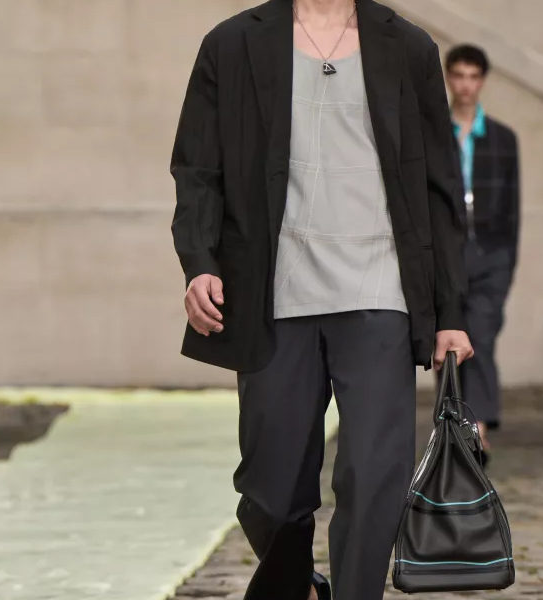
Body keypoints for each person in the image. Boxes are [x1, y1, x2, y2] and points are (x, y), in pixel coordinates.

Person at [169, 1, 473, 599]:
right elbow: (197, 167)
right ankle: (299, 585)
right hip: (273, 293)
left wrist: (451, 313)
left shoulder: (408, 47)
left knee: (375, 475)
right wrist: (199, 262)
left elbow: (439, 187)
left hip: (381, 290)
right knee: (269, 487)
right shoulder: (231, 44)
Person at [443, 44, 520, 461]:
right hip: (448, 255)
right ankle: (455, 425)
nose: (465, 85)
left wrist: (506, 263)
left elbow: (512, 210)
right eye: (459, 75)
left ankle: (479, 431)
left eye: (473, 76)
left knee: (483, 337)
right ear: (448, 78)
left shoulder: (503, 139)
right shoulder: (433, 134)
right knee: (451, 342)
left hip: (491, 255)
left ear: (483, 81)